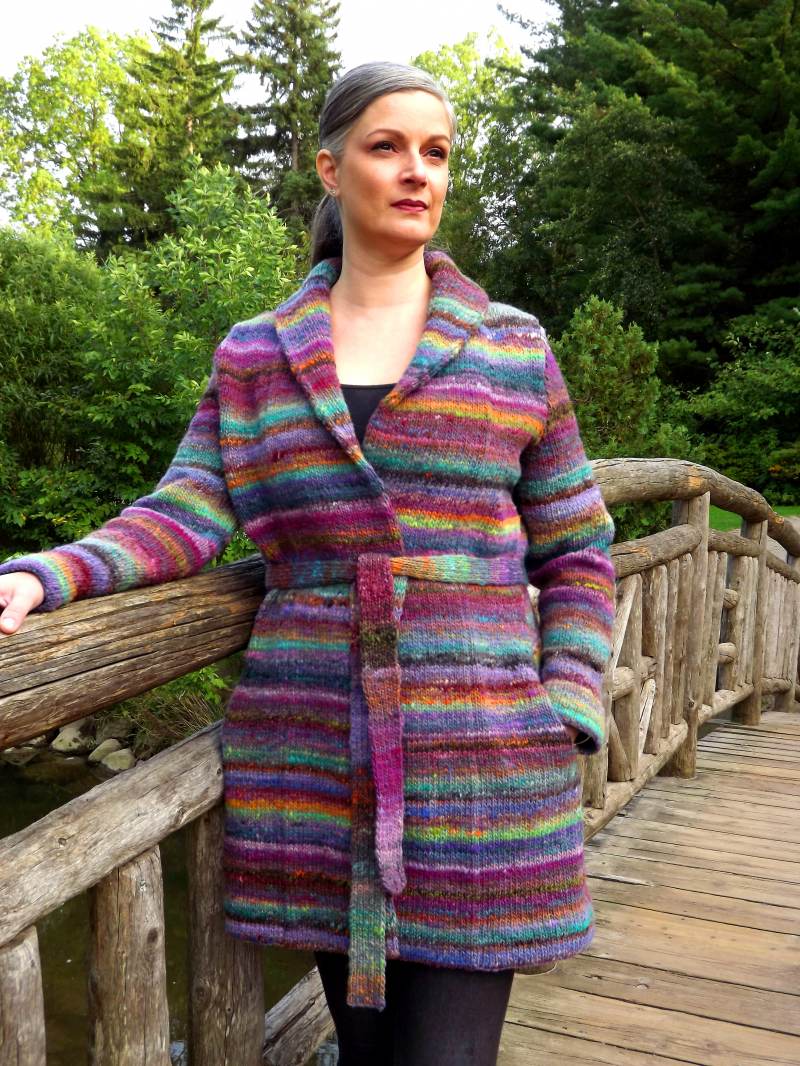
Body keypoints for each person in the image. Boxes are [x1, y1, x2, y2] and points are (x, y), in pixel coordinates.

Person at [0, 62, 616, 1066]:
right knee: (364, 1056)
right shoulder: (256, 355)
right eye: (387, 147)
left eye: (435, 152)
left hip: (488, 757)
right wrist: (52, 572)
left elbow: (578, 544)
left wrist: (570, 697)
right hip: (316, 760)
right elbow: (188, 508)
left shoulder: (512, 347)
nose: (416, 171)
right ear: (331, 169)